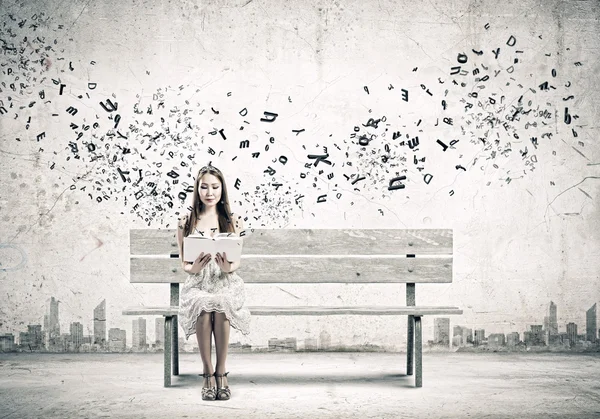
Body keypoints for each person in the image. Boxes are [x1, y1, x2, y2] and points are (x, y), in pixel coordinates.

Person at [176, 163, 251, 401]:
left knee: (219, 304)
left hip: (225, 281)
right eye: (204, 187)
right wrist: (193, 268)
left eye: (215, 187)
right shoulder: (186, 220)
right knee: (203, 305)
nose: (210, 193)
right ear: (197, 189)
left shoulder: (233, 220)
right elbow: (184, 264)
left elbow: (236, 262)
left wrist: (227, 267)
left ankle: (221, 374)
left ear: (222, 190)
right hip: (198, 283)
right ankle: (207, 373)